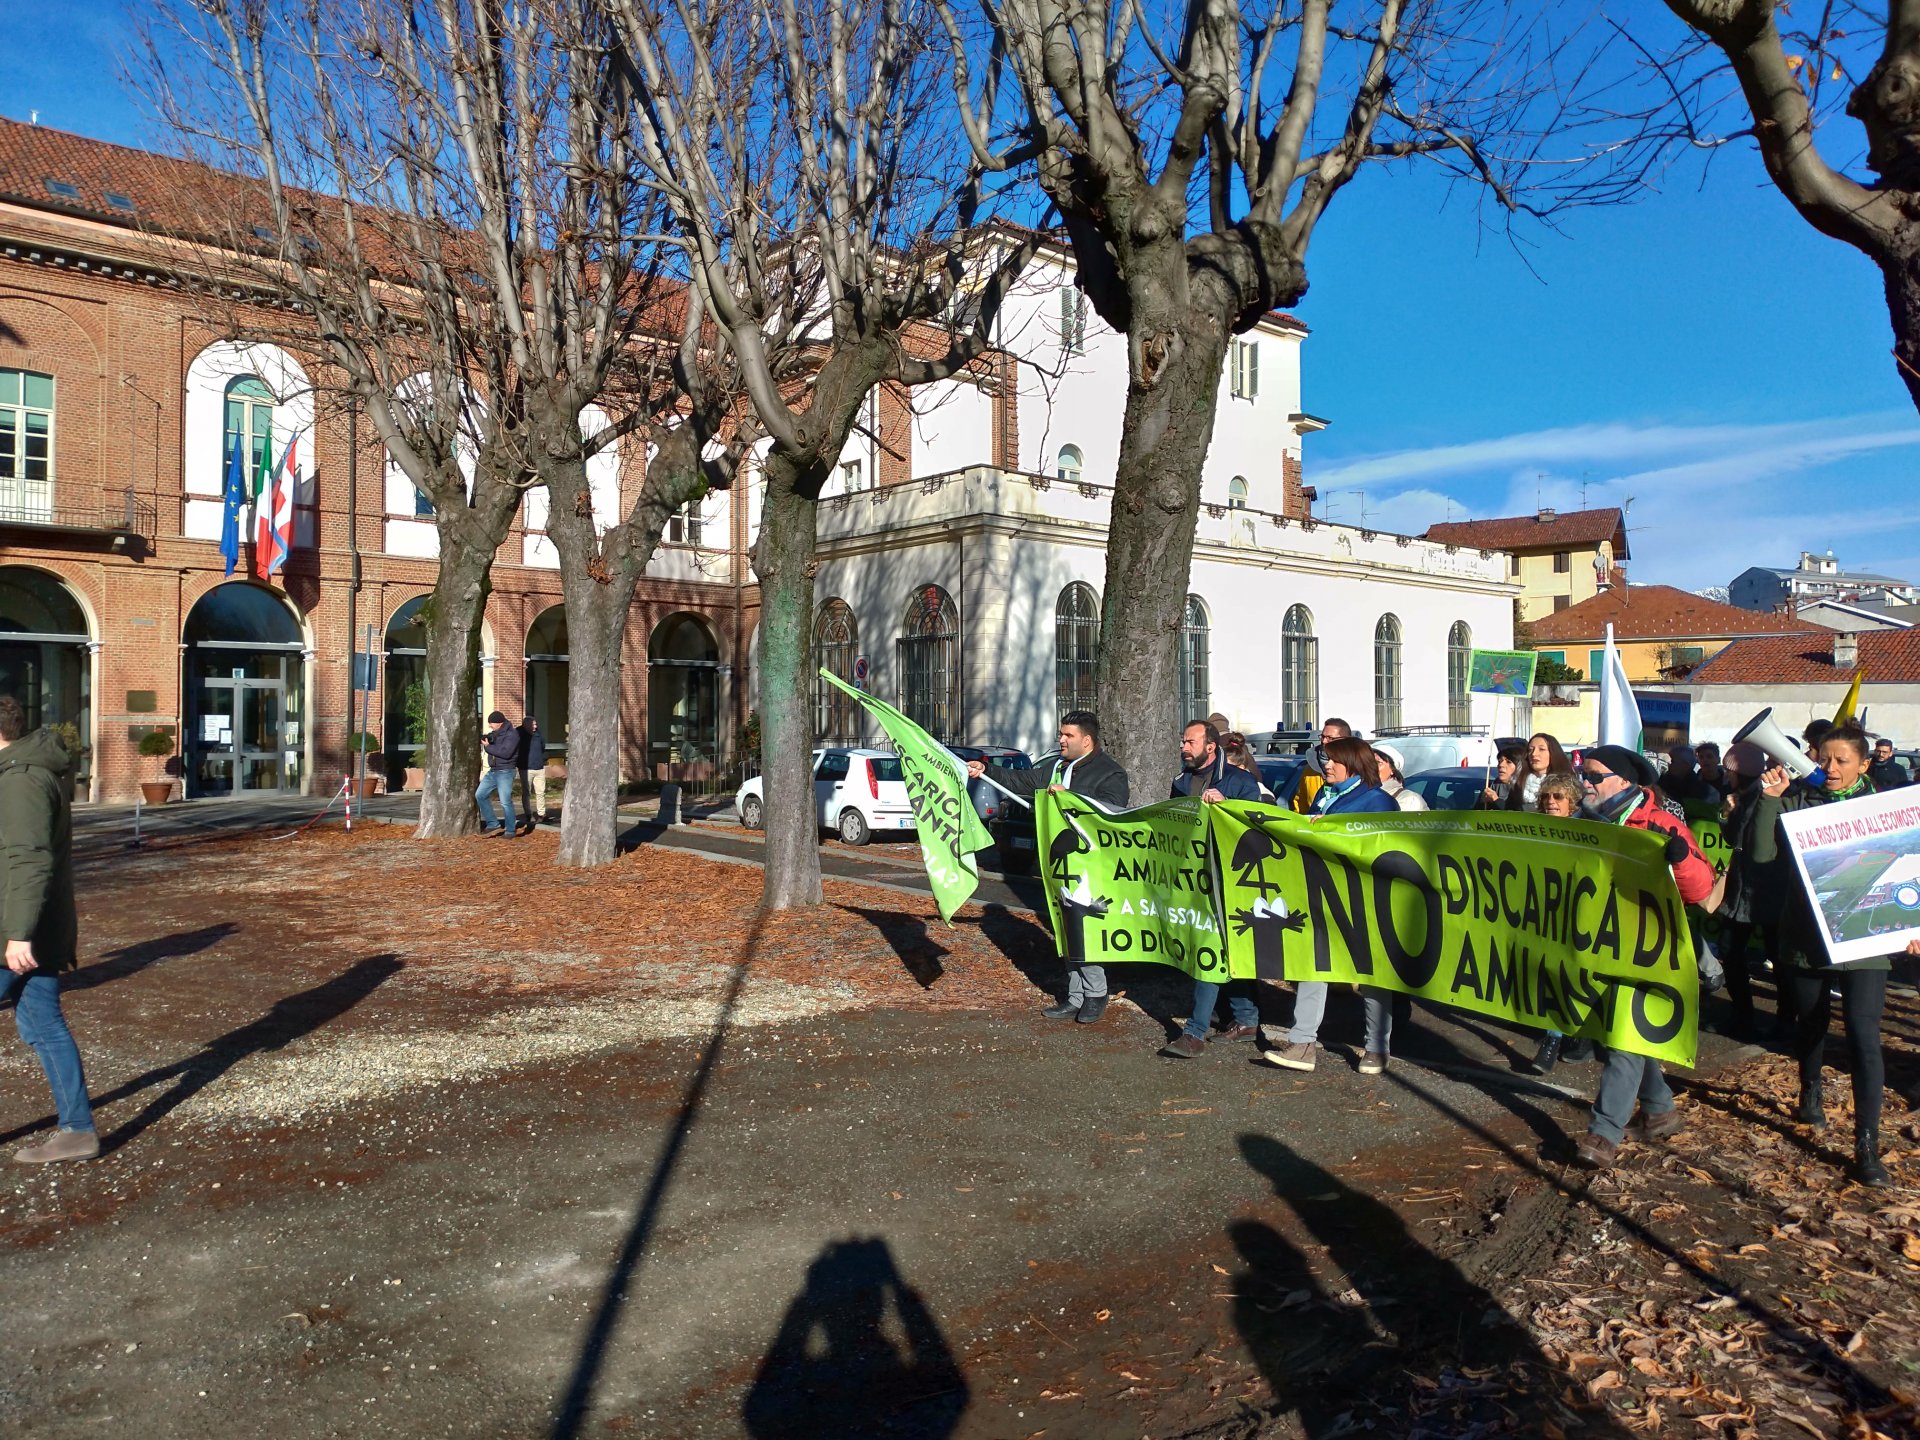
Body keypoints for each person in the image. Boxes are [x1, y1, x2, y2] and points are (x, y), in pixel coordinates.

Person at [1749, 724, 1895, 1186]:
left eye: (1842, 761)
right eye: (1824, 758)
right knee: (1811, 1022)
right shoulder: (1798, 801)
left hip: (1865, 942)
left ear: (1864, 765)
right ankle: (1810, 1088)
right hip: (1806, 938)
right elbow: (1760, 854)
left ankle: (1866, 1144)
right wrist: (1770, 799)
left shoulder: (1888, 808)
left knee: (1863, 1036)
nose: (1831, 768)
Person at [1573, 745, 1715, 1171]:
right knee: (1618, 1033)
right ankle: (1659, 1109)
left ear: (1624, 781)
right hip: (1601, 946)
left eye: (1594, 776)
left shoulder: (1661, 824)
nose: (1586, 783)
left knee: (1623, 1040)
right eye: (1585, 774)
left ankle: (1604, 1132)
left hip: (1649, 952)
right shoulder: (1585, 823)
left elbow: (1701, 889)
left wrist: (1681, 860)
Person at [967, 711, 1129, 1023]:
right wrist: (985, 769)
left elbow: (1113, 815)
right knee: (1065, 931)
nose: (1061, 740)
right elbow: (1021, 780)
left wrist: (1072, 799)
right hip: (1060, 867)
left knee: (1086, 931)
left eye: (1068, 735)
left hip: (1093, 869)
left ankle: (1097, 993)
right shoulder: (1057, 767)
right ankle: (1076, 995)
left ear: (1087, 740)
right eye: (1060, 734)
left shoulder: (1111, 774)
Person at [1261, 736, 1400, 1075]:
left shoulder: (1377, 802)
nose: (1326, 765)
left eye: (1334, 760)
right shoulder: (1325, 797)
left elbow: (1383, 850)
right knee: (1314, 968)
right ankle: (1303, 1043)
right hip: (1322, 899)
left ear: (1353, 763)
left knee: (1371, 976)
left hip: (1364, 902)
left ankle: (1376, 1048)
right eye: (1326, 759)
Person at [0, 696, 96, 1163]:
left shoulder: (20, 781)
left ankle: (78, 1130)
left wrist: (17, 934)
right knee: (43, 1024)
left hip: (14, 933)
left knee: (45, 1025)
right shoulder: (26, 772)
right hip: (36, 926)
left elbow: (30, 858)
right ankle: (77, 1131)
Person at [1162, 722, 1265, 1058]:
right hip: (1194, 879)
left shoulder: (1240, 782)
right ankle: (1247, 1019)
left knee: (1211, 949)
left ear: (1210, 746)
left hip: (1228, 882)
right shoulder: (1181, 782)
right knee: (1225, 951)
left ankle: (1194, 1033)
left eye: (1189, 741)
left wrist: (1229, 806)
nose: (1183, 747)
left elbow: (1259, 825)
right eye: (1182, 741)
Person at [1713, 740, 1786, 1042]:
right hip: (1742, 888)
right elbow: (1734, 839)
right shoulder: (1742, 796)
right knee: (1732, 951)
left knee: (1775, 956)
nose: (1726, 777)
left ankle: (1782, 1021)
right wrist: (1725, 814)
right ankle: (1744, 1016)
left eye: (1730, 771)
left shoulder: (1766, 795)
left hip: (1764, 888)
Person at [1501, 733, 1574, 812]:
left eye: (1541, 749)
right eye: (1530, 750)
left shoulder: (1568, 783)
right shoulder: (1518, 783)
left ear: (1553, 753)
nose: (1534, 754)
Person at [1292, 717, 1351, 815]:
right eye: (1322, 737)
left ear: (1346, 741)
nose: (1324, 741)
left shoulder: (1356, 768)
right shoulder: (1310, 769)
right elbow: (1300, 803)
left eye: (1330, 738)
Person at [477, 710, 520, 837]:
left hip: (506, 771)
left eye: (491, 723)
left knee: (505, 801)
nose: (490, 726)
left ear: (499, 723)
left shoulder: (512, 735)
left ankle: (510, 830)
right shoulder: (494, 734)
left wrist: (488, 747)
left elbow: (506, 753)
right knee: (480, 795)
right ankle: (492, 824)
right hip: (493, 771)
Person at [1372, 743, 1426, 811]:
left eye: (1377, 763)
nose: (1371, 768)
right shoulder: (1361, 795)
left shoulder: (1410, 799)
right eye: (1368, 763)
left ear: (1392, 770)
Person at [517, 717, 548, 830]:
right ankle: (528, 813)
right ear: (526, 725)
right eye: (533, 725)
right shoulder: (519, 734)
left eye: (536, 724)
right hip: (526, 769)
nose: (535, 727)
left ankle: (541, 814)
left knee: (540, 792)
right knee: (526, 792)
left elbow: (542, 746)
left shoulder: (538, 734)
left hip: (539, 767)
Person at [1481, 742, 1527, 808]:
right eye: (1499, 761)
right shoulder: (1493, 786)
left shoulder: (1529, 789)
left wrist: (1496, 800)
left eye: (1508, 762)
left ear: (1520, 767)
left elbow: (1520, 814)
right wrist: (1482, 802)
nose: (1501, 765)